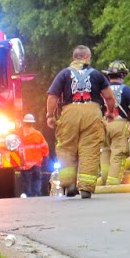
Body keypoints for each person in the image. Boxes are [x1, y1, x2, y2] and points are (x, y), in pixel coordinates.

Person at [46, 45, 118, 198]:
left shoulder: (63, 74)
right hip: (92, 113)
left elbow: (53, 96)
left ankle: (69, 184)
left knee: (66, 148)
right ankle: (85, 188)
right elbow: (109, 97)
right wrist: (110, 112)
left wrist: (50, 116)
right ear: (87, 57)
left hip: (69, 113)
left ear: (74, 57)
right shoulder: (97, 75)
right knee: (89, 149)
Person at [99, 61, 130, 187]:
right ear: (123, 75)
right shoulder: (125, 89)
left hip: (103, 124)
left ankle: (104, 179)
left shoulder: (102, 91)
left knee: (104, 151)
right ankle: (112, 183)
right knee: (118, 154)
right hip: (119, 124)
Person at [12, 114, 49, 197]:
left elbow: (14, 148)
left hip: (24, 163)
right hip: (36, 162)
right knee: (37, 178)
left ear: (24, 123)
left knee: (25, 180)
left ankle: (28, 194)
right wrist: (45, 157)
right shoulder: (37, 134)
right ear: (32, 123)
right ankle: (36, 193)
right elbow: (44, 147)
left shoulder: (19, 135)